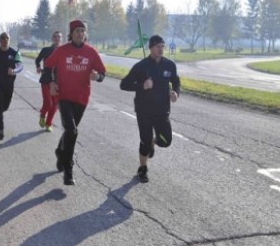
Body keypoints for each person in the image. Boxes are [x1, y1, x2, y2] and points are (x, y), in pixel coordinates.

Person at [44, 20, 106, 185]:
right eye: (77, 31)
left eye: (82, 31)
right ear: (71, 34)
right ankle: (68, 170)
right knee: (72, 131)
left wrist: (97, 76)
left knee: (70, 132)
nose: (80, 33)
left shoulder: (91, 52)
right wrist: (51, 83)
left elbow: (102, 72)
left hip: (81, 98)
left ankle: (60, 151)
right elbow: (48, 66)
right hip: (63, 96)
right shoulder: (62, 50)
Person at [119, 34, 180, 183]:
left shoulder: (170, 65)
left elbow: (176, 82)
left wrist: (175, 93)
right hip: (144, 110)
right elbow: (124, 84)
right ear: (151, 48)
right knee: (145, 141)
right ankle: (143, 169)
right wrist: (142, 85)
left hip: (162, 110)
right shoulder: (141, 66)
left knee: (166, 141)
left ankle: (153, 142)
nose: (161, 49)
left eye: (162, 46)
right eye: (158, 46)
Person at [35, 30, 63, 132]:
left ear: (61, 39)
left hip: (58, 81)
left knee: (55, 104)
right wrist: (38, 67)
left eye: (59, 37)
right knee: (48, 103)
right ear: (52, 39)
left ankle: (48, 124)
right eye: (55, 37)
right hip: (46, 79)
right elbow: (38, 59)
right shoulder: (46, 50)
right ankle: (43, 115)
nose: (57, 39)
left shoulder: (64, 51)